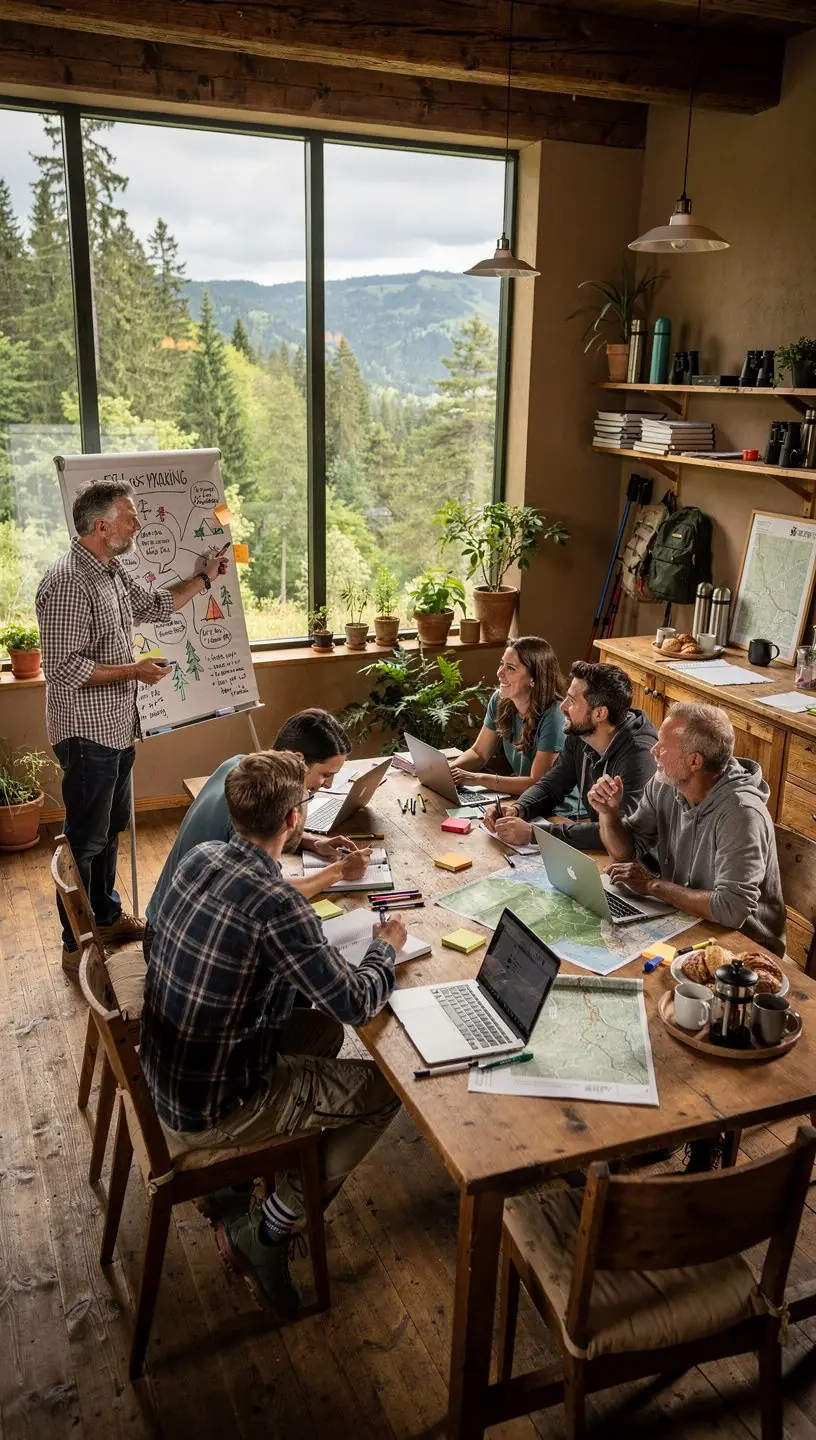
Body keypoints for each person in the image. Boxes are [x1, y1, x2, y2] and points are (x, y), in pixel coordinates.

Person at [139, 750, 405, 1316]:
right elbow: (357, 1001)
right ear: (293, 820)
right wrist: (385, 949)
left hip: (165, 1070)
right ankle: (266, 1234)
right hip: (212, 1106)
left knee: (322, 1032)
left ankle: (262, 1176)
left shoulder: (201, 857)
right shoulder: (277, 904)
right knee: (386, 1094)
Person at [35, 480, 228, 972]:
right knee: (85, 839)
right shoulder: (66, 582)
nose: (138, 525)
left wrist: (204, 579)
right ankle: (76, 941)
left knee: (111, 828)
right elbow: (63, 667)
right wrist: (135, 671)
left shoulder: (110, 569)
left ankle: (106, 915)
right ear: (102, 526)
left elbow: (155, 605)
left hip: (119, 727)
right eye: (130, 517)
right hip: (86, 732)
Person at [143, 708, 371, 962]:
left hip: (165, 925)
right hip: (172, 946)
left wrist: (314, 842)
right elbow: (271, 895)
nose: (327, 784)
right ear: (298, 760)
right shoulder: (252, 804)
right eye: (325, 774)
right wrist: (339, 871)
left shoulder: (241, 770)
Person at [589, 701, 786, 957]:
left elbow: (731, 909)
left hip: (744, 948)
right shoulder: (666, 783)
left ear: (694, 761)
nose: (653, 751)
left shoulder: (742, 814)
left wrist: (652, 886)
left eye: (663, 746)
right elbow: (625, 852)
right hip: (687, 919)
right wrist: (609, 813)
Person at [484, 661, 657, 850]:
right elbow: (552, 785)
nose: (563, 707)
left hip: (641, 866)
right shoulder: (581, 732)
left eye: (572, 701)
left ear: (599, 714)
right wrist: (519, 808)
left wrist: (535, 835)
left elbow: (620, 833)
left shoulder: (639, 756)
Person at [450, 636, 568, 796]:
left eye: (511, 668)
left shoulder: (555, 715)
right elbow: (479, 754)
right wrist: (447, 771)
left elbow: (537, 783)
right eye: (502, 664)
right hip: (522, 799)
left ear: (534, 678)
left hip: (557, 809)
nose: (499, 673)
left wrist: (478, 779)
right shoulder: (500, 700)